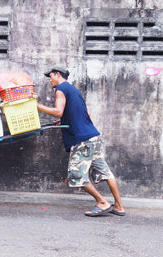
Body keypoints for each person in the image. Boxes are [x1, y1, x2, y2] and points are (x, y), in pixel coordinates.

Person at [36, 65, 125, 217]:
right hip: (93, 137)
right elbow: (85, 113)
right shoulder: (74, 90)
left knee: (76, 175)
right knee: (105, 172)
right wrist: (64, 119)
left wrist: (36, 105)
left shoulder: (61, 89)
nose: (50, 80)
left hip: (82, 140)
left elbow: (58, 110)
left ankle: (102, 202)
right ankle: (119, 206)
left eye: (50, 76)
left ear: (57, 75)